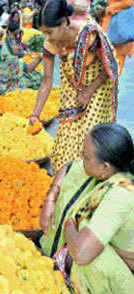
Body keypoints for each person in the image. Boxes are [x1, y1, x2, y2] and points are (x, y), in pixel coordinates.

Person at [40, 123, 134, 294]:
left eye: (86, 156)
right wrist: (51, 198)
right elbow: (69, 167)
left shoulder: (121, 196)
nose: (81, 156)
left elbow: (82, 254)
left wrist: (71, 223)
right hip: (83, 254)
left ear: (106, 167)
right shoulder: (101, 170)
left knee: (93, 258)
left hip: (112, 277)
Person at [30, 0, 119, 173]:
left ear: (63, 22)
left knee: (87, 140)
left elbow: (109, 67)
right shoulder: (50, 43)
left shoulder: (89, 34)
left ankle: (86, 178)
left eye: (49, 32)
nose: (47, 38)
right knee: (64, 143)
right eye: (44, 33)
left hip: (97, 87)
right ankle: (63, 180)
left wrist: (89, 91)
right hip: (72, 87)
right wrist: (35, 114)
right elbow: (47, 81)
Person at [0, 21, 43, 97]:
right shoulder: (10, 59)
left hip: (0, 86)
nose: (17, 45)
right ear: (9, 33)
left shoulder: (5, 46)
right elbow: (29, 68)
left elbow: (20, 51)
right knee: (25, 82)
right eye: (15, 35)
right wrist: (39, 58)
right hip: (5, 91)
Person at [93, 0, 134, 76]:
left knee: (114, 70)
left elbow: (128, 2)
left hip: (119, 31)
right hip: (108, 27)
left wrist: (107, 9)